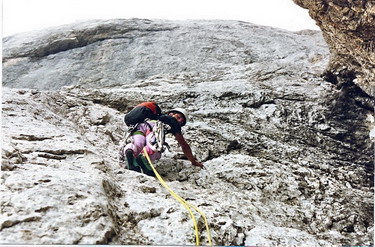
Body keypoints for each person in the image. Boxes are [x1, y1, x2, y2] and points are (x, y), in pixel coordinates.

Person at [120, 108, 204, 176]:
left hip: (139, 126)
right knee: (155, 148)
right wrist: (193, 161)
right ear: (171, 114)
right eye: (179, 118)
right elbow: (183, 145)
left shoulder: (154, 115)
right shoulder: (172, 121)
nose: (179, 121)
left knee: (137, 143)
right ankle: (144, 158)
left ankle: (130, 152)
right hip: (156, 128)